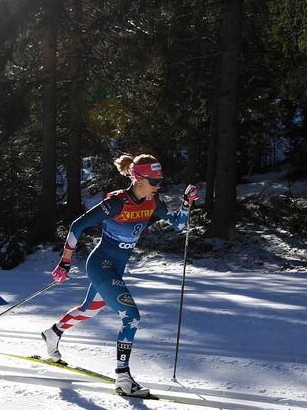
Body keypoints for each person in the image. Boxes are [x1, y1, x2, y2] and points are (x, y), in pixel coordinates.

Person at [42, 154, 199, 397]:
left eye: (160, 181)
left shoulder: (153, 201)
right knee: (131, 317)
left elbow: (179, 225)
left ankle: (53, 333)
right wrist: (64, 263)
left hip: (116, 268)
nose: (158, 186)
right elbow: (77, 225)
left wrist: (187, 203)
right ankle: (123, 378)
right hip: (100, 264)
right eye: (154, 181)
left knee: (89, 309)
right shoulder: (116, 203)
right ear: (138, 178)